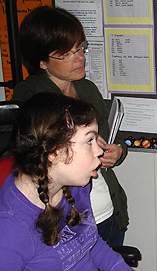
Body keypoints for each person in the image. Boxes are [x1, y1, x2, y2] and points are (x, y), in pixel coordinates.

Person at [0, 92, 157, 271]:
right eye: (90, 140)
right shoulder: (11, 228)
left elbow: (88, 241)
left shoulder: (74, 186)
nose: (100, 150)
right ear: (53, 150)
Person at [12, 6, 127, 246]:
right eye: (66, 53)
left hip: (106, 210)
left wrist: (117, 151)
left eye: (80, 47)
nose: (80, 57)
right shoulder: (31, 97)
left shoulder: (87, 89)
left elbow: (110, 136)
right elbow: (21, 158)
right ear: (42, 62)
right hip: (67, 217)